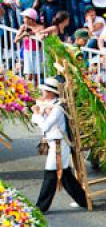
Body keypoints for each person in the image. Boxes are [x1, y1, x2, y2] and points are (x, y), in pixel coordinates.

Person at [31, 77, 88, 214]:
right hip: (56, 145)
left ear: (50, 93)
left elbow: (44, 125)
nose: (42, 93)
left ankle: (41, 207)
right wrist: (39, 113)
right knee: (65, 175)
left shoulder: (57, 108)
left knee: (51, 174)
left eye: (44, 91)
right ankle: (84, 200)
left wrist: (37, 114)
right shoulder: (51, 105)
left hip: (59, 146)